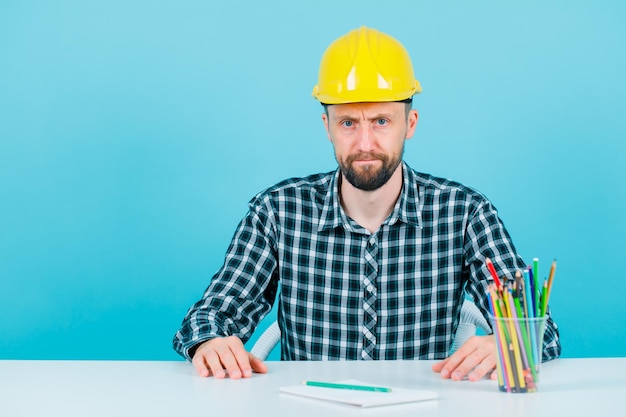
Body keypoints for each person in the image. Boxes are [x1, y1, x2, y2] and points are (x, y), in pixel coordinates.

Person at [172, 26, 561, 381]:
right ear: (326, 127)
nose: (364, 144)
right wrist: (211, 342)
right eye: (347, 123)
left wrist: (512, 344)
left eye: (381, 121)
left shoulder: (464, 213)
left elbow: (541, 331)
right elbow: (209, 317)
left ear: (410, 124)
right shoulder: (277, 213)